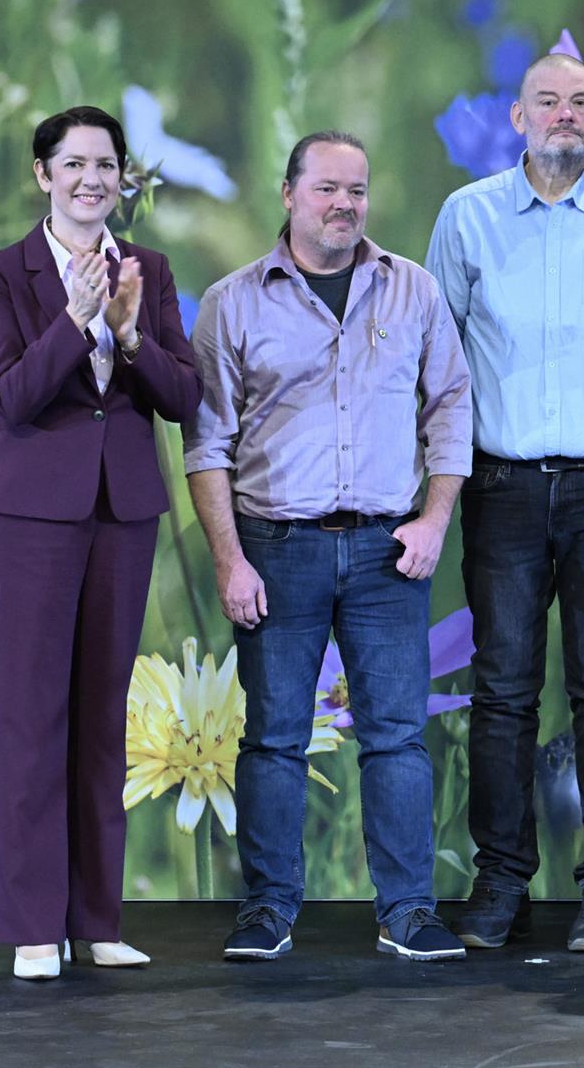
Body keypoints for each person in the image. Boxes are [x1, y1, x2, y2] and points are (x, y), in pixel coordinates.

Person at [185, 131, 473, 963]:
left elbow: (451, 405)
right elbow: (206, 444)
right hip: (277, 550)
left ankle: (408, 912)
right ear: (288, 195)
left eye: (357, 190)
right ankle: (267, 911)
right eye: (326, 189)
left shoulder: (412, 289)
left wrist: (434, 519)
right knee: (274, 737)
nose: (344, 204)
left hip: (388, 553)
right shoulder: (233, 303)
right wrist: (230, 560)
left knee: (397, 737)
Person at [425, 52, 584, 953]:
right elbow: (437, 356)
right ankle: (501, 883)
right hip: (501, 486)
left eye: (580, 101)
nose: (564, 114)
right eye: (547, 101)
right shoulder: (467, 216)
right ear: (519, 117)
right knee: (501, 691)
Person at [0, 105, 202, 980]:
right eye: (73, 164)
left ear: (123, 178)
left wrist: (132, 333)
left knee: (105, 716)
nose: (91, 180)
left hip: (121, 508)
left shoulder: (151, 270)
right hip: (31, 512)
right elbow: (10, 399)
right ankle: (34, 927)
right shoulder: (0, 274)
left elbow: (184, 398)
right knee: (31, 716)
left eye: (106, 165)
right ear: (43, 175)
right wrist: (73, 320)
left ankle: (96, 920)